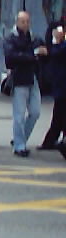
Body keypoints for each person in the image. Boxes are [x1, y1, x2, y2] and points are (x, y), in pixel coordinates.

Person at [2, 11, 47, 158]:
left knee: (35, 112)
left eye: (27, 21)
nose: (26, 24)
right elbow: (11, 58)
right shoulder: (11, 38)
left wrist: (42, 53)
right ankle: (19, 146)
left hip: (33, 78)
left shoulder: (34, 37)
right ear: (17, 22)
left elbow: (43, 53)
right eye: (23, 21)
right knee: (19, 115)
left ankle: (18, 139)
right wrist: (33, 55)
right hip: (19, 79)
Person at [40, 18, 66, 152]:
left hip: (62, 84)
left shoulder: (60, 45)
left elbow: (57, 52)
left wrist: (56, 42)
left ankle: (53, 141)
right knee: (58, 114)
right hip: (59, 84)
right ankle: (50, 141)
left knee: (60, 114)